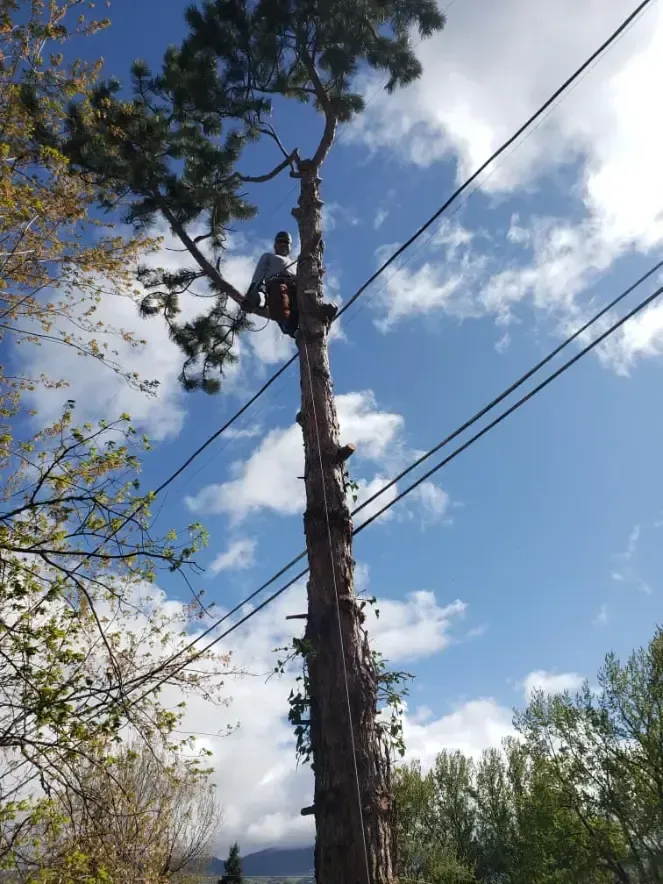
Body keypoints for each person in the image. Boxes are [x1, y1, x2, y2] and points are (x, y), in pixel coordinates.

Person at [244, 231, 295, 313]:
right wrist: (252, 290)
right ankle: (257, 300)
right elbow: (259, 273)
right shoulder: (269, 256)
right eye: (280, 241)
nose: (283, 244)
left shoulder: (296, 263)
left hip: (294, 293)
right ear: (275, 245)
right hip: (274, 288)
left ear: (290, 246)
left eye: (286, 242)